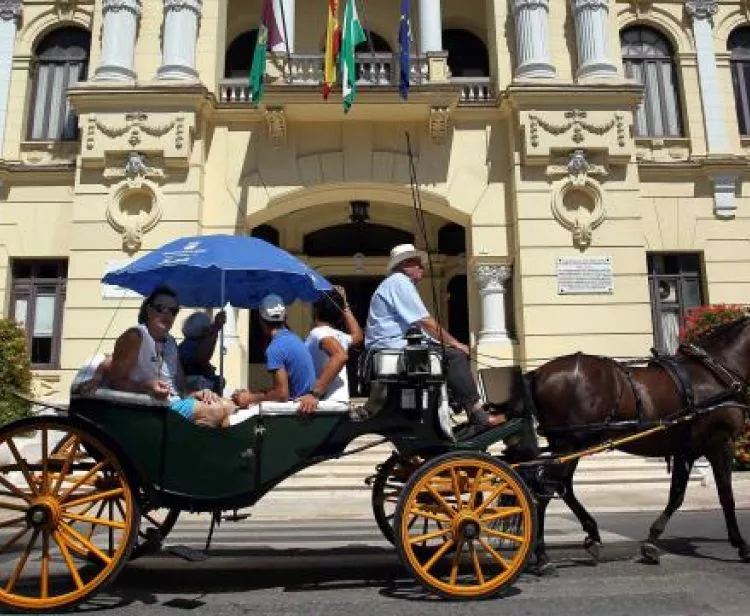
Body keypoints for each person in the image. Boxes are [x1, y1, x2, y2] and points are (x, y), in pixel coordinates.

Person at [365, 243, 504, 429]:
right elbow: (425, 321)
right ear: (405, 265)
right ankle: (477, 413)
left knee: (447, 354)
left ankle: (455, 403)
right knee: (455, 357)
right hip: (393, 347)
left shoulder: (395, 283)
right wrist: (456, 343)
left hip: (392, 346)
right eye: (417, 264)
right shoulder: (399, 281)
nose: (422, 267)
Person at [107, 286, 236, 428]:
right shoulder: (135, 337)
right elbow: (115, 382)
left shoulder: (171, 342)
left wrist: (198, 393)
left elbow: (181, 389)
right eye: (161, 308)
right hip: (149, 407)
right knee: (216, 411)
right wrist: (147, 387)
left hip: (173, 403)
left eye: (173, 311)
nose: (167, 314)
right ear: (149, 310)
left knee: (229, 406)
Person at [232, 294, 316, 410]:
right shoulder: (295, 338)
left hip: (297, 410)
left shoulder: (275, 348)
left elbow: (282, 394)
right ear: (284, 318)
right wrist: (253, 395)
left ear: (261, 320)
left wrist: (250, 398)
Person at [297, 286, 364, 415]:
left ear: (315, 311)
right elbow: (358, 335)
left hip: (323, 404)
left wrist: (314, 393)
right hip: (338, 402)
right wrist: (345, 307)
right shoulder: (339, 336)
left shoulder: (318, 333)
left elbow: (340, 356)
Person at [179, 310, 226, 394]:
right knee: (219, 382)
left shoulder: (188, 342)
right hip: (191, 383)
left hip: (191, 379)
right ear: (203, 329)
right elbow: (202, 358)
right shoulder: (194, 343)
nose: (209, 330)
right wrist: (216, 328)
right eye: (208, 327)